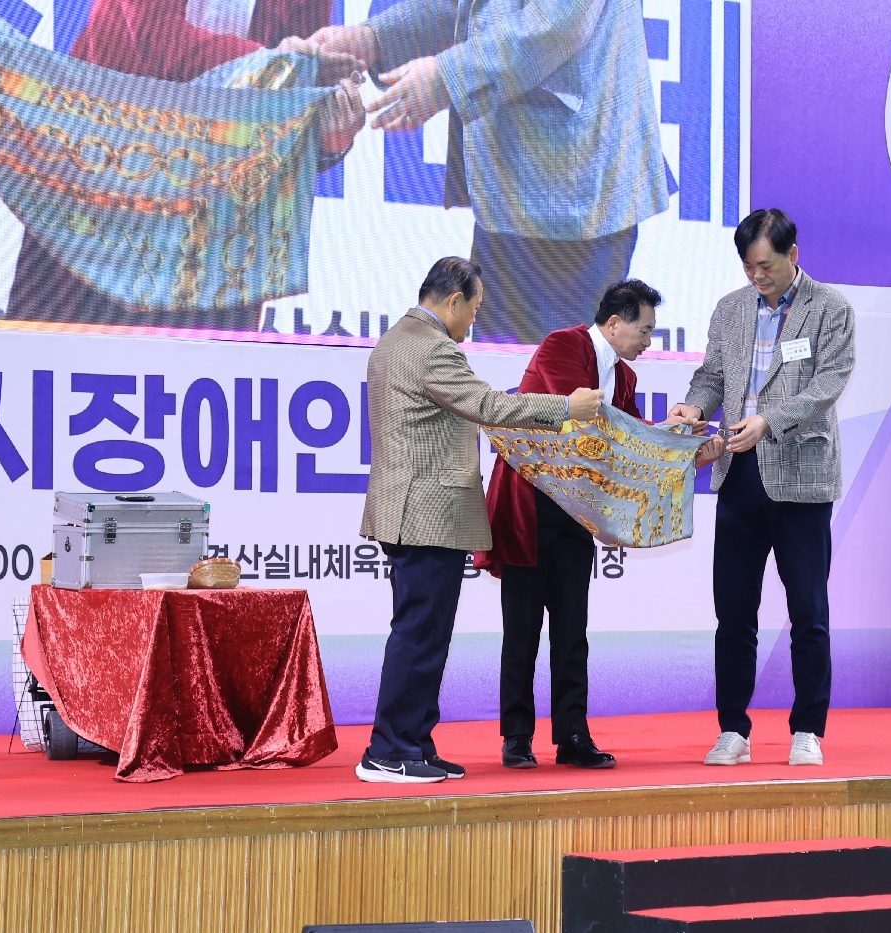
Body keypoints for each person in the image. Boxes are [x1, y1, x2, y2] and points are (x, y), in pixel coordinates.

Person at [357, 256, 603, 783]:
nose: (474, 320)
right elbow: (489, 406)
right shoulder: (432, 349)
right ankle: (389, 750)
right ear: (453, 301)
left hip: (411, 512)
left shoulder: (395, 341)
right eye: (474, 308)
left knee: (424, 635)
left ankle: (414, 744)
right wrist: (565, 408)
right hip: (426, 515)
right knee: (419, 636)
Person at [310, 0, 667, 344]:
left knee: (555, 376)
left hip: (572, 200)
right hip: (512, 193)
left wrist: (447, 77)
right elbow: (469, 7)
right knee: (508, 373)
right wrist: (374, 39)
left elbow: (558, 23)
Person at [475, 280, 724, 770]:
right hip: (530, 506)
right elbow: (587, 428)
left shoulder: (624, 377)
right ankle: (517, 737)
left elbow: (632, 450)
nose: (649, 341)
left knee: (573, 632)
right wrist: (660, 436)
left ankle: (572, 735)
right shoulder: (563, 346)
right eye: (645, 330)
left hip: (577, 514)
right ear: (614, 324)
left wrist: (687, 446)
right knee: (521, 630)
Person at [0, 0, 365, 329]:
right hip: (104, 189)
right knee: (55, 367)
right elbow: (157, 40)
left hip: (220, 222)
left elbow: (293, 113)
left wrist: (330, 134)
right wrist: (275, 65)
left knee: (201, 372)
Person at [668, 208, 856, 768]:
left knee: (808, 612)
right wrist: (694, 407)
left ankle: (808, 730)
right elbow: (712, 375)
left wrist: (770, 421)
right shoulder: (730, 309)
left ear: (792, 255)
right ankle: (733, 729)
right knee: (733, 613)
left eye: (766, 266)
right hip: (738, 475)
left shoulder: (830, 307)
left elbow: (829, 383)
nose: (757, 276)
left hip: (801, 477)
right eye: (749, 267)